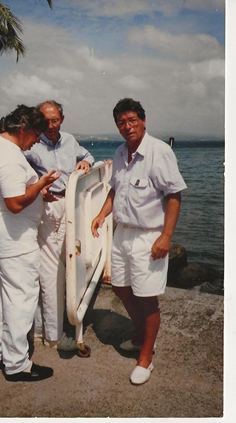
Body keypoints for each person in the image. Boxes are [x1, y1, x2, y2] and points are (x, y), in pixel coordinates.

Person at [91, 98, 187, 385]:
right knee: (120, 288)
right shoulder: (120, 153)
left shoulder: (159, 151)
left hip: (149, 236)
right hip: (122, 234)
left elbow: (174, 196)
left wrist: (166, 237)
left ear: (143, 121)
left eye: (132, 120)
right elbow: (113, 191)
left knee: (147, 298)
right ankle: (143, 335)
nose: (127, 126)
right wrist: (100, 215)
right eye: (122, 122)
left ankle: (146, 357)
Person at [0, 105, 60, 382]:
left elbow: (4, 192)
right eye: (35, 134)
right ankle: (17, 364)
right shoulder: (9, 156)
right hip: (12, 238)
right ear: (22, 130)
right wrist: (41, 183)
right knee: (21, 298)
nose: (36, 141)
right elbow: (14, 203)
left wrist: (35, 191)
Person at [24, 100, 95, 350]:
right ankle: (51, 335)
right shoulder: (32, 145)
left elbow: (86, 155)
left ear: (62, 119)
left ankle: (46, 329)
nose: (51, 126)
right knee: (50, 270)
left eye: (55, 120)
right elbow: (19, 173)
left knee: (66, 265)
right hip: (48, 206)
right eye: (46, 121)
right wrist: (36, 186)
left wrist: (85, 163)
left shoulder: (70, 140)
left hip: (69, 204)